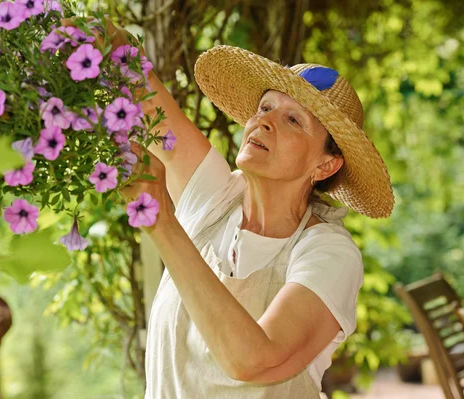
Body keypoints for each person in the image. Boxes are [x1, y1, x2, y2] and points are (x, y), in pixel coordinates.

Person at [112, 29, 394, 398]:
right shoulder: (213, 198)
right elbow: (143, 96)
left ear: (326, 165)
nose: (264, 121)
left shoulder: (329, 253)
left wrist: (162, 224)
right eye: (265, 108)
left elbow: (254, 360)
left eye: (293, 120)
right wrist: (98, 38)